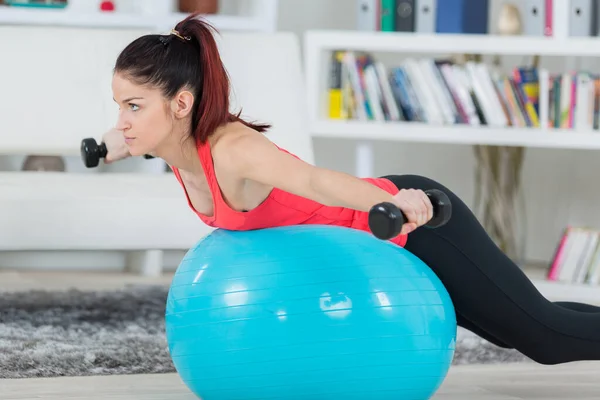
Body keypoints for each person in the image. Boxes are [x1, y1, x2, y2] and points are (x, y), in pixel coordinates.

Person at [102, 13, 600, 365]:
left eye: (133, 106)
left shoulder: (232, 150)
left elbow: (317, 181)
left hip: (413, 221)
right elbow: (125, 141)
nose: (122, 121)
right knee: (506, 327)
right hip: (375, 253)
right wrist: (110, 145)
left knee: (544, 338)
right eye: (119, 106)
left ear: (182, 104)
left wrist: (396, 202)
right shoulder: (169, 146)